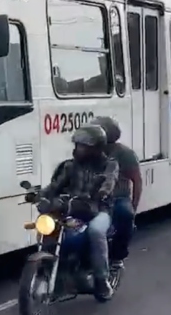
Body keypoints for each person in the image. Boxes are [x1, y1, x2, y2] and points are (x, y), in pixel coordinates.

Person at [39, 124, 119, 299]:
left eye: (83, 146)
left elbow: (109, 181)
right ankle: (55, 274)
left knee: (95, 231)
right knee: (52, 226)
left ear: (96, 148)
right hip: (74, 207)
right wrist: (41, 195)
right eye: (77, 145)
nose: (78, 149)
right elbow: (55, 185)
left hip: (99, 209)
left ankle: (101, 280)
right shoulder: (70, 166)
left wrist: (103, 192)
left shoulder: (109, 165)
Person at [90, 116, 141, 269]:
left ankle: (118, 256)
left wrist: (134, 206)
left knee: (125, 214)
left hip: (118, 198)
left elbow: (136, 180)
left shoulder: (125, 154)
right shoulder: (88, 152)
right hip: (91, 197)